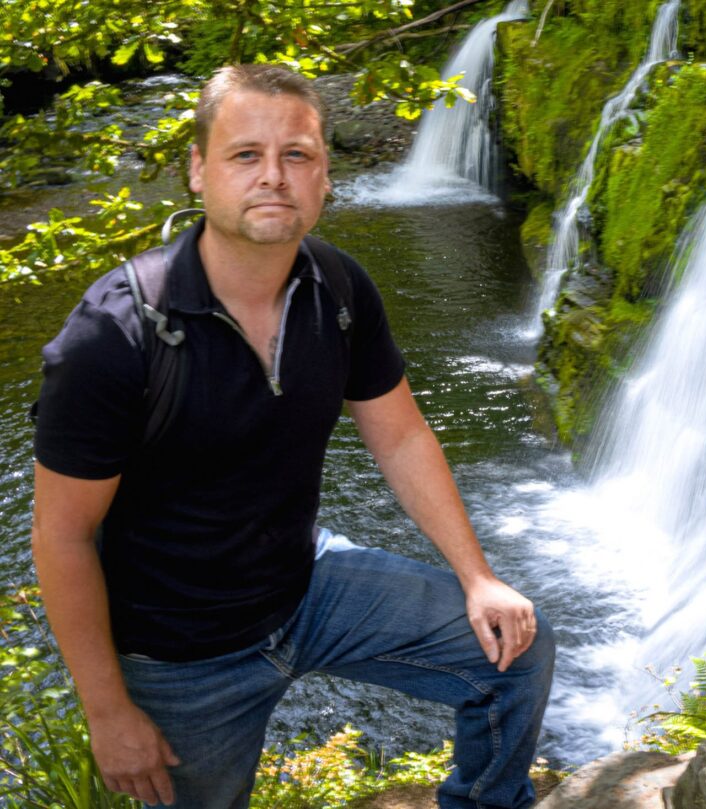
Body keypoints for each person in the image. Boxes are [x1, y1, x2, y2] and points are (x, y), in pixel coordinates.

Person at [31, 64, 554, 809]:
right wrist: (108, 709)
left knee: (514, 654)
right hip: (180, 654)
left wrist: (477, 575)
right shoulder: (117, 334)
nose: (273, 176)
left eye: (297, 155)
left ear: (325, 176)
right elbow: (61, 536)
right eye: (245, 154)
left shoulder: (337, 290)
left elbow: (400, 435)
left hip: (305, 583)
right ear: (197, 171)